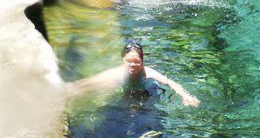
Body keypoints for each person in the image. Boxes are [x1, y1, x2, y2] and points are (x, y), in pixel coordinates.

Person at [67, 41, 200, 107]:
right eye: (128, 61)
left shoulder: (147, 73)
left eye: (136, 62)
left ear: (142, 62)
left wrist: (185, 96)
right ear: (122, 61)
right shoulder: (117, 73)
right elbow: (96, 80)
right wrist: (75, 87)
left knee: (149, 109)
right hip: (128, 90)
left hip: (148, 89)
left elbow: (169, 82)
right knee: (126, 108)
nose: (132, 65)